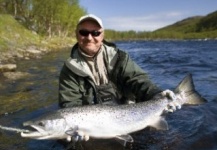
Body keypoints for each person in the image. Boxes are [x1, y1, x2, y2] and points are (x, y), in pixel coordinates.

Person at [58, 14, 178, 141]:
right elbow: (70, 104)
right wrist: (76, 128)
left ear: (102, 35)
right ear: (77, 34)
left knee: (172, 141)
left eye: (95, 33)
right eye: (83, 32)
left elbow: (138, 81)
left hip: (132, 116)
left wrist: (157, 94)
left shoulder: (119, 58)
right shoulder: (69, 69)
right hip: (94, 127)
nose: (89, 37)